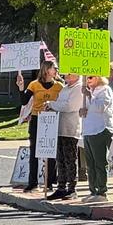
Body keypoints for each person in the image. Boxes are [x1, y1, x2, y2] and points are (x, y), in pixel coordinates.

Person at [16, 61, 64, 192]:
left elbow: (63, 102)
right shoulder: (34, 84)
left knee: (51, 151)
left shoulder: (59, 86)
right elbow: (24, 101)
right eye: (54, 68)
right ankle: (33, 182)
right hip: (37, 118)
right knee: (34, 151)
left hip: (52, 119)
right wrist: (21, 87)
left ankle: (49, 182)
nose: (56, 70)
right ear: (47, 70)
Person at [44, 72, 84, 200]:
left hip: (70, 129)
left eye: (70, 73)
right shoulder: (65, 88)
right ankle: (61, 187)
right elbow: (60, 103)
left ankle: (71, 188)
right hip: (59, 128)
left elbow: (70, 106)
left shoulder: (79, 88)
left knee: (70, 159)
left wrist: (52, 104)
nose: (66, 75)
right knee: (60, 159)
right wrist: (52, 106)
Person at [80, 75, 113, 202]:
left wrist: (89, 96)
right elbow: (88, 109)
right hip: (88, 130)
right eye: (87, 78)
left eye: (91, 77)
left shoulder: (105, 90)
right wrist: (81, 111)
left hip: (100, 129)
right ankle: (93, 190)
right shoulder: (89, 91)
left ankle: (102, 191)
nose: (88, 80)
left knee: (99, 162)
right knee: (90, 164)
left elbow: (101, 107)